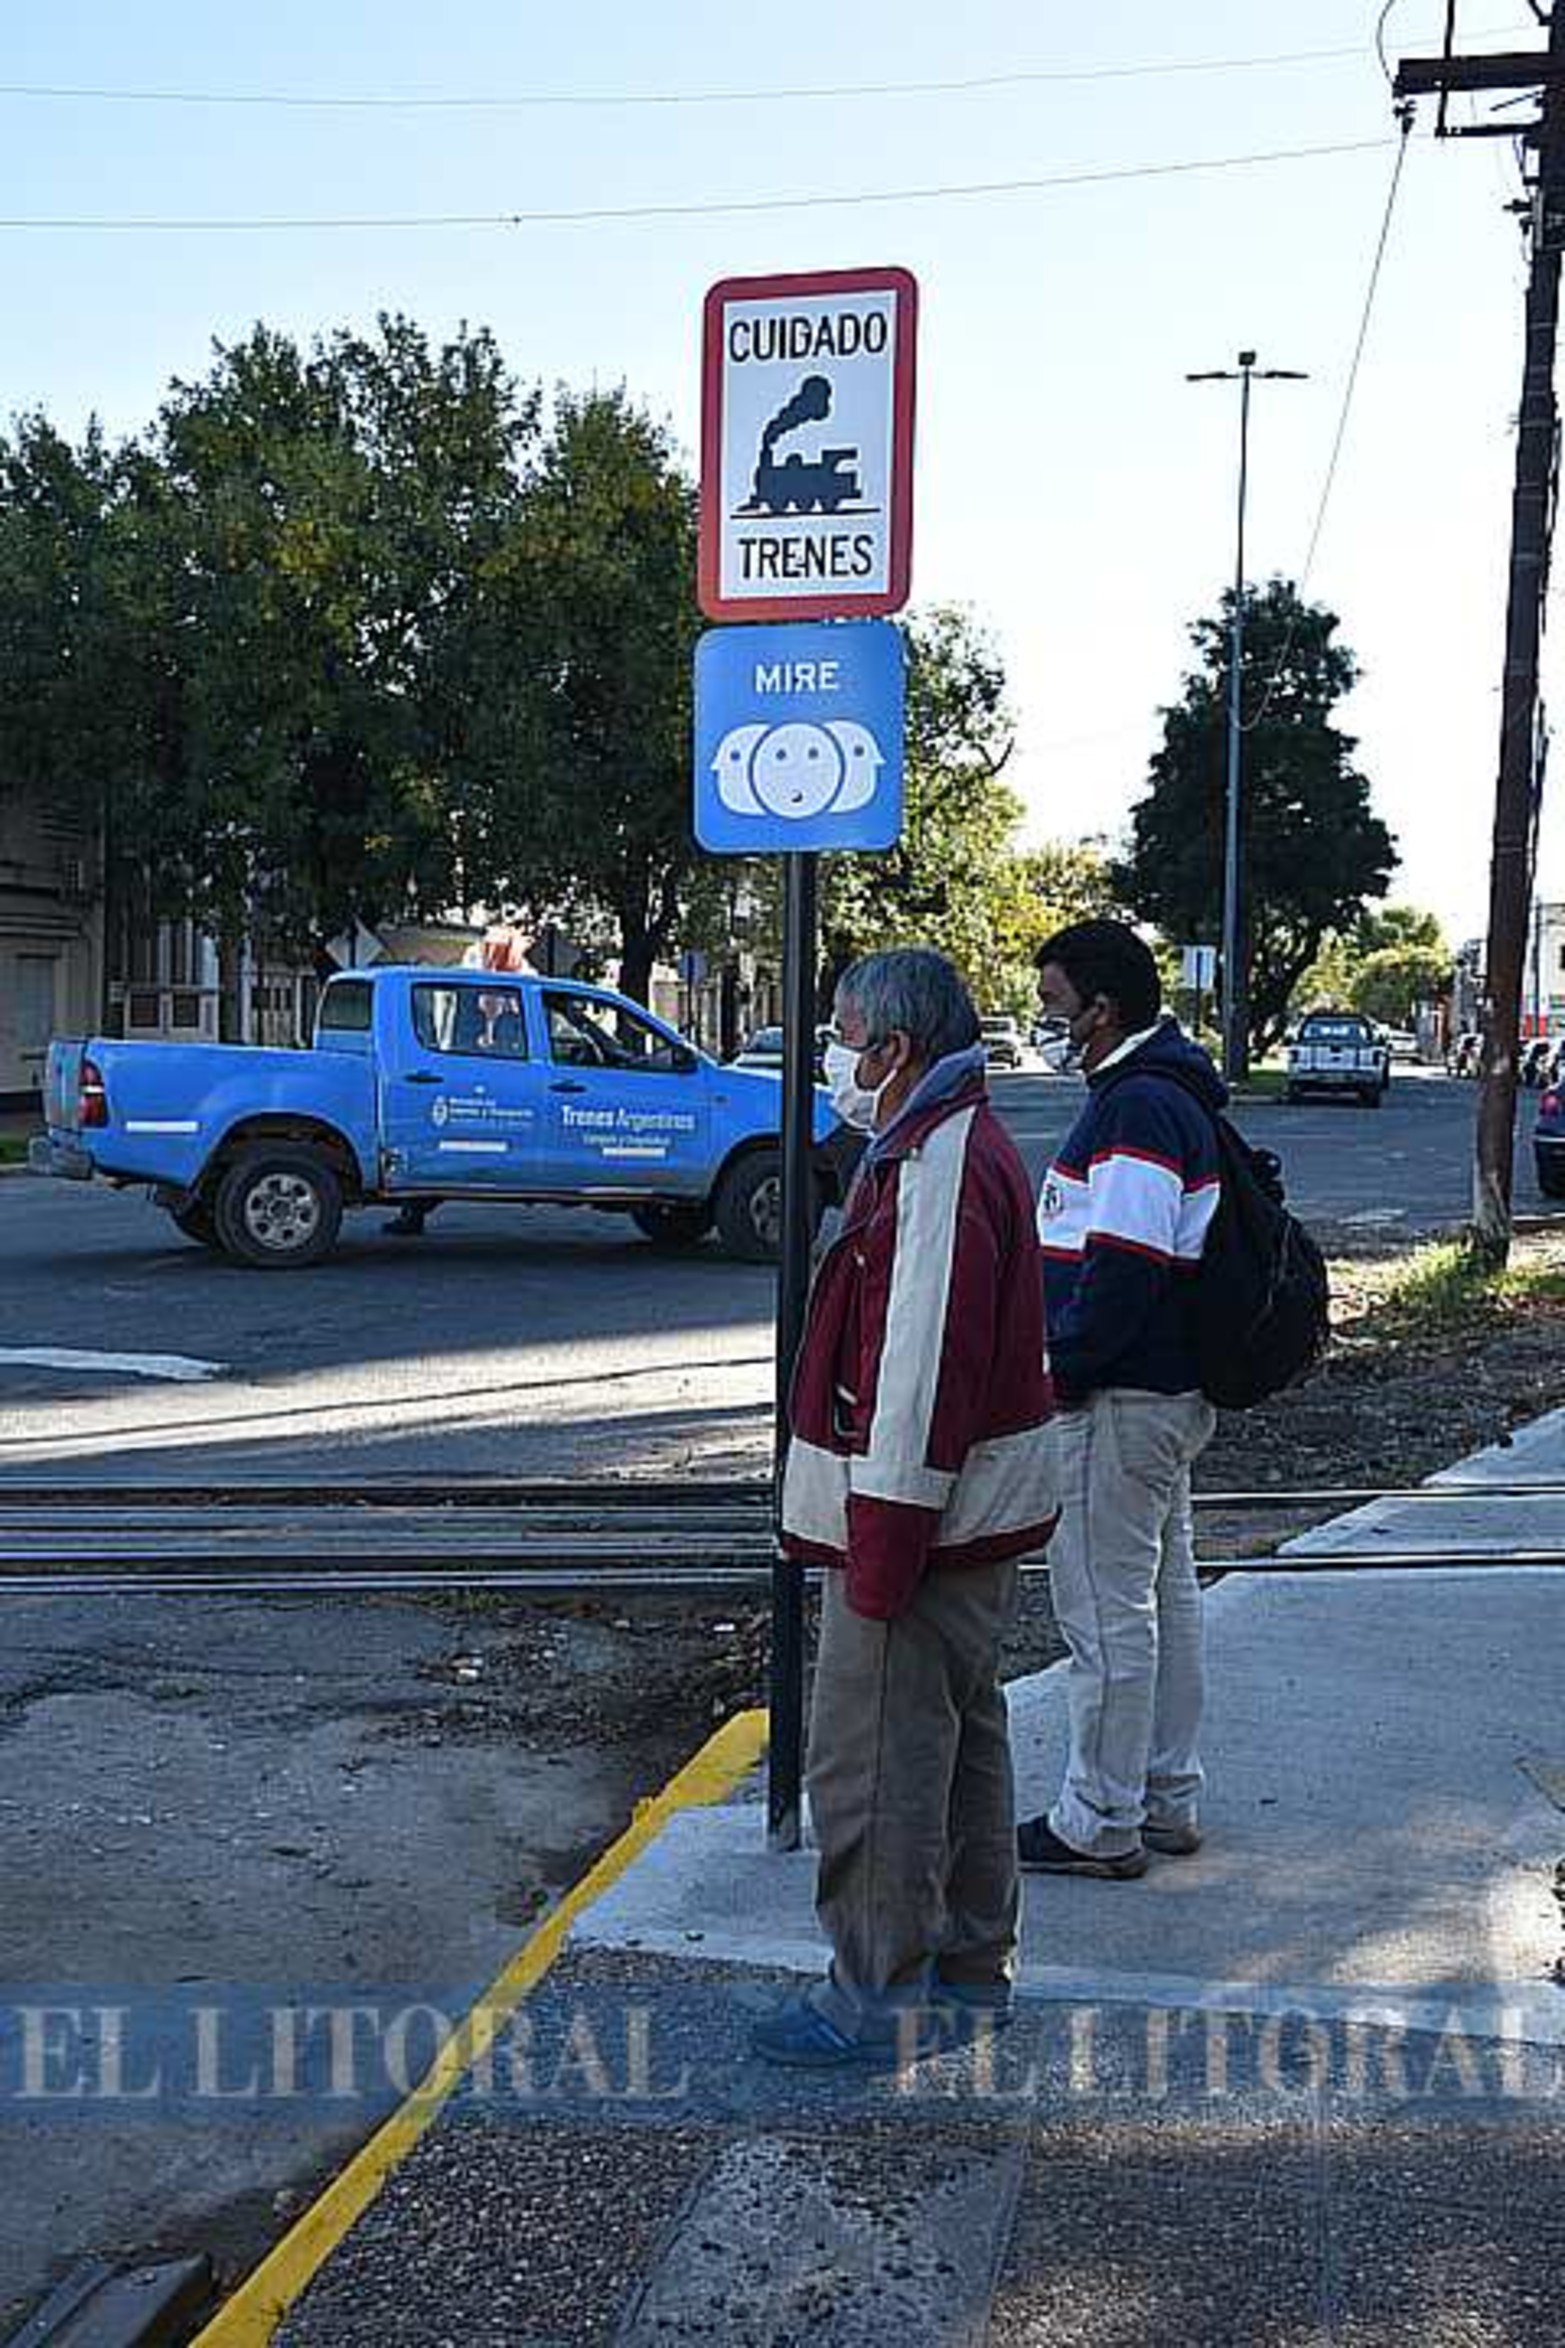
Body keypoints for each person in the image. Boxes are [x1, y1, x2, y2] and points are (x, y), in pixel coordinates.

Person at [751, 947, 1057, 2068]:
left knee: (871, 1763)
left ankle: (873, 1996)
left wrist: (878, 1549)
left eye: (839, 1033)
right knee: (964, 1749)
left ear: (893, 1048)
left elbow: (915, 1371)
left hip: (916, 1525)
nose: (830, 1054)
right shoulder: (949, 1141)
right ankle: (971, 1974)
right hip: (965, 1521)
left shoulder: (933, 1160)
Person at [1016, 919, 1222, 1881]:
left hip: (1117, 1401)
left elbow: (1127, 1265)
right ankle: (1164, 1797)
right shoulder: (1163, 1092)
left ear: (1102, 1010)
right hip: (1165, 1391)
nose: (1048, 1023)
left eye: (1055, 1006)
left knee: (1104, 1615)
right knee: (1162, 1603)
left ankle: (1098, 1818)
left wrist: (1064, 1371)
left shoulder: (1136, 1107)